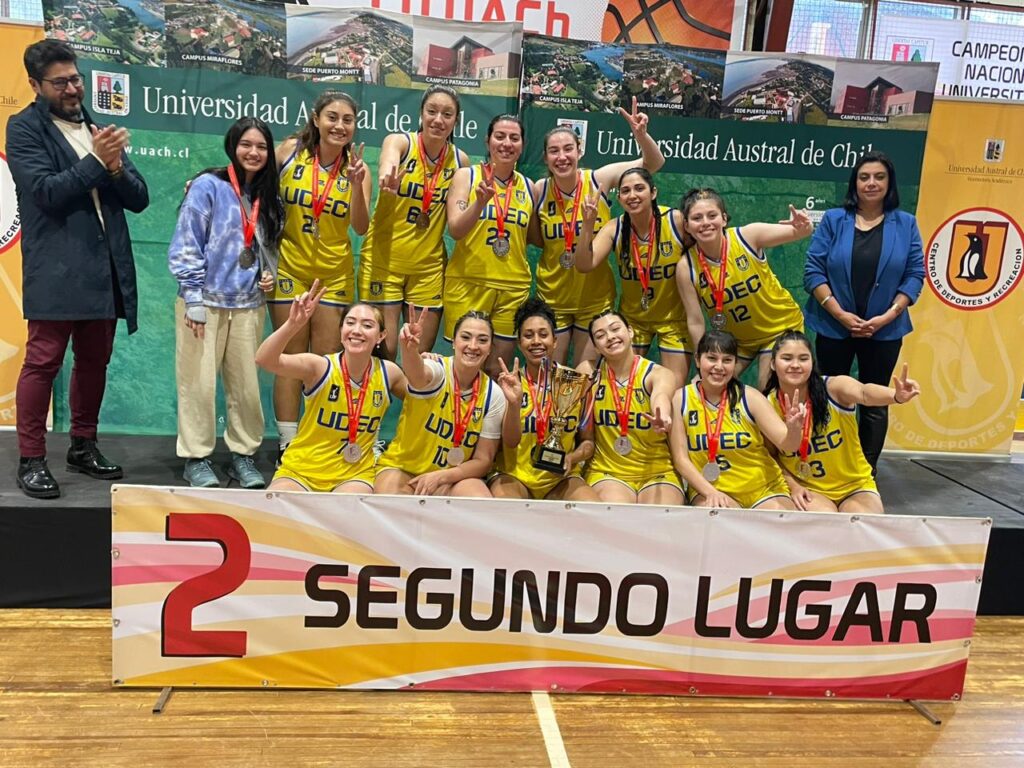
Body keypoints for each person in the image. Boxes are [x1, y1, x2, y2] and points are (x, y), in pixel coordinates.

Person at [7, 40, 149, 499]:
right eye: (60, 82)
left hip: (105, 268)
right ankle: (31, 459)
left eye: (75, 79)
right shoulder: (23, 127)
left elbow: (139, 198)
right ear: (35, 85)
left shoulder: (95, 126)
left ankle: (83, 446)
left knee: (94, 361)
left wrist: (115, 168)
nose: (72, 89)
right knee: (43, 362)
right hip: (56, 269)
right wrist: (98, 161)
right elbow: (46, 192)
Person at [168, 117, 283, 488]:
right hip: (204, 304)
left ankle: (243, 456)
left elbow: (266, 247)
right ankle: (196, 458)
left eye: (261, 146)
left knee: (247, 388)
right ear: (233, 146)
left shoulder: (268, 195)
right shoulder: (208, 186)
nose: (254, 152)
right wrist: (193, 297)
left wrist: (267, 274)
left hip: (248, 305)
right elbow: (187, 242)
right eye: (246, 144)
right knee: (198, 385)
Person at [803, 151, 925, 471]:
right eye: (864, 177)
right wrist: (839, 314)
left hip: (885, 330)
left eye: (879, 177)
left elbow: (915, 274)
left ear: (889, 183)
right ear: (854, 183)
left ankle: (865, 472)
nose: (871, 183)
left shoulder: (906, 224)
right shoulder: (834, 220)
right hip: (833, 327)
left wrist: (889, 315)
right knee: (828, 397)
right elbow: (813, 272)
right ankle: (827, 466)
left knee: (876, 402)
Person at [270, 91, 371, 461]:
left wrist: (357, 185)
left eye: (347, 120)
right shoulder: (289, 152)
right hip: (289, 269)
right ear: (316, 119)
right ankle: (287, 442)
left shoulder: (358, 169)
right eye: (332, 117)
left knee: (327, 363)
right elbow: (253, 188)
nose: (339, 126)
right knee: (290, 358)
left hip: (333, 275)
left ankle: (318, 440)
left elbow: (360, 226)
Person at [529, 98, 665, 365]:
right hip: (553, 298)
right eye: (554, 151)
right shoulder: (539, 190)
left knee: (584, 373)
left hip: (594, 300)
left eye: (568, 149)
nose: (562, 157)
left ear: (579, 151)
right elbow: (536, 239)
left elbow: (653, 163)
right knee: (550, 372)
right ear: (545, 157)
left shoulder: (599, 179)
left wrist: (641, 136)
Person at [256, 281, 407, 493]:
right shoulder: (320, 367)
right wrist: (292, 324)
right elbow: (265, 360)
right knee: (277, 503)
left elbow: (425, 396)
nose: (357, 330)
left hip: (354, 474)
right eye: (350, 323)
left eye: (367, 325)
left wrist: (422, 359)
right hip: (300, 470)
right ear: (341, 330)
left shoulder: (388, 373)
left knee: (350, 505)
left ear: (381, 336)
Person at [358, 85, 469, 360]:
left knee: (419, 357)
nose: (438, 120)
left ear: (456, 120)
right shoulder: (401, 142)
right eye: (432, 111)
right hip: (384, 261)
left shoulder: (460, 161)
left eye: (447, 114)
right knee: (383, 354)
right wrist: (388, 176)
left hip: (427, 269)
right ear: (421, 113)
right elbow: (389, 160)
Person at [763, 330, 920, 514]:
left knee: (863, 520)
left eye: (803, 358)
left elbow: (864, 393)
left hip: (855, 485)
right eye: (787, 358)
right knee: (825, 520)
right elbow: (771, 456)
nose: (795, 365)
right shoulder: (766, 405)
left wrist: (895, 395)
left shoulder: (833, 387)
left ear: (812, 362)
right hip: (808, 487)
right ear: (773, 364)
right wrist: (794, 486)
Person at [675, 188, 813, 387]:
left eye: (712, 215)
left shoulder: (747, 237)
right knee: (708, 385)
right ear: (687, 226)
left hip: (779, 329)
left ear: (724, 219)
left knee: (766, 387)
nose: (705, 222)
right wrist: (701, 361)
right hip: (738, 342)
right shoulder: (686, 267)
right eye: (697, 218)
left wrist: (804, 225)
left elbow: (801, 231)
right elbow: (696, 321)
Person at [574, 168, 691, 386]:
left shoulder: (675, 221)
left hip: (673, 320)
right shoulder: (615, 228)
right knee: (621, 383)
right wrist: (588, 225)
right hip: (633, 320)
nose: (632, 195)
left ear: (653, 192)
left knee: (674, 387)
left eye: (639, 188)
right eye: (625, 191)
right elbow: (583, 264)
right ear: (619, 198)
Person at [374, 310, 509, 497]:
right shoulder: (437, 370)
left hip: (452, 477)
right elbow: (417, 375)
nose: (473, 346)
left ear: (490, 348)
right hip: (403, 469)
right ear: (453, 342)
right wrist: (409, 350)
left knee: (479, 500)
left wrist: (441, 477)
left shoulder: (493, 394)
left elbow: (483, 460)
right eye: (465, 337)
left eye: (482, 340)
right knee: (392, 498)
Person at [668, 330, 806, 510]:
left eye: (727, 360)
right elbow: (680, 459)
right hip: (711, 489)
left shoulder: (751, 397)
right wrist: (710, 492)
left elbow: (788, 445)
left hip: (763, 488)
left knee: (778, 519)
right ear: (697, 360)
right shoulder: (680, 399)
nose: (719, 366)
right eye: (712, 358)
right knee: (717, 514)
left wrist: (794, 429)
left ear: (734, 364)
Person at [444, 115, 535, 376]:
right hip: (468, 282)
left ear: (522, 145)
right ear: (487, 141)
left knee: (497, 369)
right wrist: (480, 203)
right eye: (500, 136)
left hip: (512, 288)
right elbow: (456, 229)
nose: (506, 143)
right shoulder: (467, 176)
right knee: (464, 368)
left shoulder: (529, 187)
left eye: (514, 138)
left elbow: (532, 237)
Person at [489, 298, 599, 501]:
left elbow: (588, 442)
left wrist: (572, 457)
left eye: (543, 334)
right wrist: (514, 404)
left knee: (593, 508)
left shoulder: (576, 384)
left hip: (561, 479)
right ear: (519, 343)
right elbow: (509, 443)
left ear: (555, 341)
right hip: (514, 476)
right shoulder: (507, 385)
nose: (536, 341)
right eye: (528, 335)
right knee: (508, 508)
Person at [576, 311, 683, 505]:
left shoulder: (658, 373)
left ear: (630, 332)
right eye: (600, 335)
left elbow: (661, 395)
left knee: (661, 514)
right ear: (596, 347)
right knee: (616, 512)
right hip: (607, 471)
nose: (610, 337)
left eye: (615, 329)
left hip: (658, 471)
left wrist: (662, 415)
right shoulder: (589, 372)